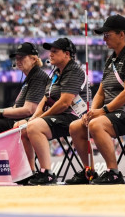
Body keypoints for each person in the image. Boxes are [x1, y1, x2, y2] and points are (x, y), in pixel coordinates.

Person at [67, 15, 125, 184]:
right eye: (103, 35)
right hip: (115, 113)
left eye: (108, 34)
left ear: (122, 34)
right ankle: (88, 171)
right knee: (75, 126)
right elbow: (101, 92)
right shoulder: (111, 59)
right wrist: (91, 112)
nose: (104, 38)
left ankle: (113, 172)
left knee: (96, 125)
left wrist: (103, 111)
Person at [0, 42, 50, 185]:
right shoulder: (28, 78)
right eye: (17, 58)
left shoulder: (38, 77)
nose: (18, 61)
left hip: (30, 119)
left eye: (22, 58)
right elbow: (16, 107)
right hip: (20, 118)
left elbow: (29, 110)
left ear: (33, 59)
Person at [18, 38, 88, 185]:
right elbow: (45, 98)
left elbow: (64, 103)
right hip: (58, 116)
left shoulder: (74, 71)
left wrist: (39, 118)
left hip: (73, 117)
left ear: (67, 54)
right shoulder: (56, 72)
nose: (50, 54)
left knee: (34, 126)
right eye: (50, 51)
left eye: (55, 51)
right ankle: (29, 172)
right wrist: (35, 116)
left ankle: (47, 173)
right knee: (21, 128)